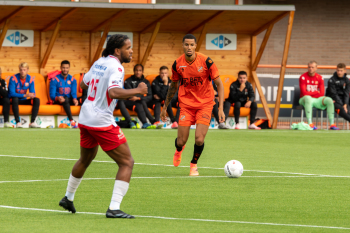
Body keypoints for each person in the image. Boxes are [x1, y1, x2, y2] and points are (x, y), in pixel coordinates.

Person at [59, 34, 145, 218]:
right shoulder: (117, 67)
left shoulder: (100, 61)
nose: (131, 51)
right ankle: (114, 208)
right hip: (101, 120)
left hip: (85, 118)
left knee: (85, 159)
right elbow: (113, 92)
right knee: (127, 162)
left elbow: (83, 84)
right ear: (117, 50)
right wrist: (137, 90)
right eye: (128, 48)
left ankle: (68, 197)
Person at [160, 34, 225, 176]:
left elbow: (219, 85)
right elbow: (173, 87)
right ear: (182, 45)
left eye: (191, 45)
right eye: (186, 44)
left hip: (206, 104)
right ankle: (178, 150)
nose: (189, 47)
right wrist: (165, 107)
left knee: (199, 139)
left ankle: (193, 165)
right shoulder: (177, 64)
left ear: (195, 46)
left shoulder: (206, 61)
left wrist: (220, 108)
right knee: (181, 141)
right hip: (186, 105)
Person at [299, 61, 339, 130]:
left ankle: (332, 124)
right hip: (304, 99)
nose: (310, 69)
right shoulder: (302, 77)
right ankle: (310, 124)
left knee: (329, 100)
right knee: (308, 97)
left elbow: (321, 93)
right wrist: (316, 92)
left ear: (316, 68)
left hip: (317, 99)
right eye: (309, 67)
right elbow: (304, 93)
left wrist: (314, 93)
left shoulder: (320, 77)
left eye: (312, 67)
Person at [123, 64, 162, 129]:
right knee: (141, 102)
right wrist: (140, 97)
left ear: (142, 71)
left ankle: (157, 121)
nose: (138, 72)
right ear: (134, 71)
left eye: (140, 70)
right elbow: (130, 95)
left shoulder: (146, 82)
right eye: (136, 70)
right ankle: (151, 121)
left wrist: (139, 97)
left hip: (144, 100)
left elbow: (150, 96)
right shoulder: (128, 81)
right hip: (134, 102)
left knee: (157, 103)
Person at [8, 62, 40, 128]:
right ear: (19, 70)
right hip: (14, 101)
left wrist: (32, 95)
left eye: (24, 70)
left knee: (36, 100)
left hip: (24, 100)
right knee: (15, 98)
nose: (22, 71)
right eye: (21, 70)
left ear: (27, 70)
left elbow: (33, 92)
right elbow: (11, 93)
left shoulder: (30, 79)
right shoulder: (13, 78)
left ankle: (32, 122)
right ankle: (18, 122)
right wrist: (25, 95)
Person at [49, 60, 78, 127]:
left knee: (83, 99)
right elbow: (52, 95)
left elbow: (74, 92)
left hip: (69, 99)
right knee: (65, 99)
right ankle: (72, 121)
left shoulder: (73, 79)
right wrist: (57, 98)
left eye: (67, 68)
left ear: (69, 68)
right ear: (61, 68)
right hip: (59, 100)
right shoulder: (54, 79)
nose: (65, 69)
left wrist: (74, 99)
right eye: (63, 67)